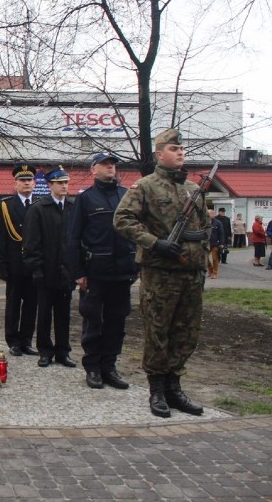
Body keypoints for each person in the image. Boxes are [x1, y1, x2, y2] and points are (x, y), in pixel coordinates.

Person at [114, 129, 210, 418]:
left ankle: (174, 387)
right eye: (174, 148)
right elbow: (122, 220)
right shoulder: (145, 186)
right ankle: (157, 390)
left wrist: (202, 261)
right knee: (159, 332)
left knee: (186, 332)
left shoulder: (193, 189)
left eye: (182, 148)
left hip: (191, 274)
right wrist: (155, 243)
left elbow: (204, 228)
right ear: (159, 154)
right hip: (160, 274)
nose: (180, 152)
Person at [68, 153, 137, 389]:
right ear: (93, 170)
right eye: (106, 164)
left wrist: (135, 265)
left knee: (117, 322)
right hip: (95, 272)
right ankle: (93, 368)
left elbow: (136, 231)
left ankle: (110, 366)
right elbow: (74, 237)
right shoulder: (86, 199)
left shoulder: (126, 195)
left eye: (113, 164)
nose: (111, 168)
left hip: (122, 272)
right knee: (93, 321)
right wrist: (78, 272)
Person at [23, 166, 76, 369]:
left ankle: (63, 351)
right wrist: (36, 268)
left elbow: (76, 240)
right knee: (44, 313)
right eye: (60, 183)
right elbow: (31, 242)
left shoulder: (72, 207)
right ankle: (45, 351)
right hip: (46, 270)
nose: (64, 186)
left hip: (66, 271)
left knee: (64, 314)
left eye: (66, 183)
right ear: (51, 185)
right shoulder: (39, 209)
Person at [0, 163, 39, 357]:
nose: (26, 183)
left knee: (31, 304)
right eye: (22, 180)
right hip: (14, 263)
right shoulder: (6, 205)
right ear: (16, 183)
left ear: (34, 183)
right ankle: (13, 341)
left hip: (34, 264)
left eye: (29, 180)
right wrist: (1, 263)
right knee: (13, 305)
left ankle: (27, 340)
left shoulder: (40, 204)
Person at [206, 209, 225, 279]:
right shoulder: (204, 222)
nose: (212, 215)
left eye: (213, 213)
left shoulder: (218, 223)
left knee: (215, 258)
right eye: (210, 213)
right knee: (205, 258)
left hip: (215, 244)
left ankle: (214, 273)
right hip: (206, 243)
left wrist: (221, 243)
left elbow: (222, 233)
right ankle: (210, 271)